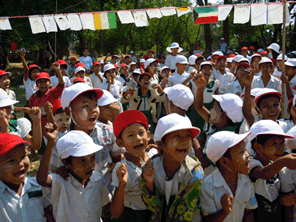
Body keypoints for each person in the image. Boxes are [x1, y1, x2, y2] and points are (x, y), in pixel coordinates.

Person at [37, 127, 110, 222]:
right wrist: (51, 143)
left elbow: (107, 205)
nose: (90, 165)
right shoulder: (61, 181)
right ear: (66, 163)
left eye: (92, 157)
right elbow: (42, 179)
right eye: (82, 160)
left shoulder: (97, 178)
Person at [141, 113, 204, 221]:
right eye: (177, 136)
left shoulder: (194, 172)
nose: (184, 141)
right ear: (161, 144)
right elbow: (152, 207)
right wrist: (149, 184)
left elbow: (185, 212)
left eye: (188, 137)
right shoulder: (151, 168)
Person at [110, 110, 157, 221]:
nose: (138, 138)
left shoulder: (155, 156)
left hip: (156, 213)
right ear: (120, 143)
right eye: (130, 135)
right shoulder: (122, 169)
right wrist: (122, 184)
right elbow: (116, 213)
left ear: (148, 135)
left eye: (141, 133)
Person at [201, 131, 257, 222]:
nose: (247, 155)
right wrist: (224, 211)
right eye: (241, 152)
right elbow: (207, 219)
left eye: (246, 150)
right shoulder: (208, 186)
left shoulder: (247, 181)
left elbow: (249, 212)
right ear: (224, 161)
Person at [248, 120, 296, 221]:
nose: (280, 148)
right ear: (258, 147)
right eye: (274, 144)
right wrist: (283, 161)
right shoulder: (252, 164)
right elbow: (263, 174)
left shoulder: (276, 166)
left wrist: (284, 200)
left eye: (282, 143)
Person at [0, 133, 52, 221]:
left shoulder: (38, 185)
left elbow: (49, 214)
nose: (20, 164)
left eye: (24, 156)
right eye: (11, 160)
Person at [29, 63, 65, 128]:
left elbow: (61, 85)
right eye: (40, 82)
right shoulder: (33, 98)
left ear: (50, 83)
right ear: (36, 84)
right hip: (43, 126)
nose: (43, 84)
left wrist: (58, 71)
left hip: (57, 124)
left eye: (45, 81)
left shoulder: (53, 92)